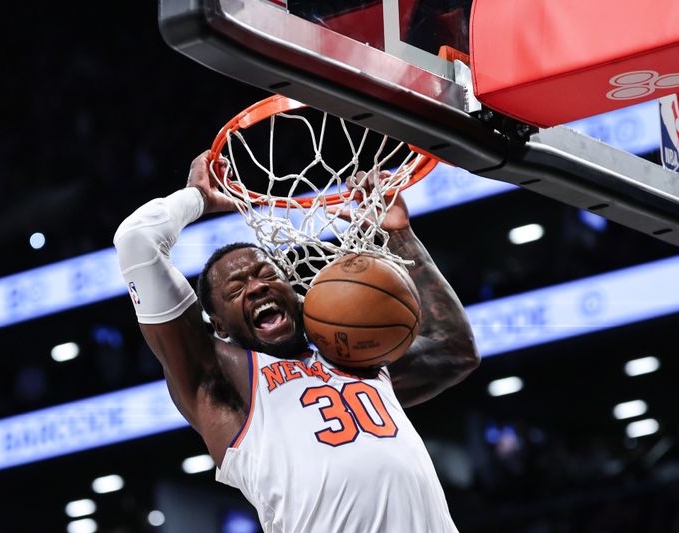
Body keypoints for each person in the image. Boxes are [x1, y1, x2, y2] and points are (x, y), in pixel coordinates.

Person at [114, 151, 479, 532]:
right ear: (219, 326)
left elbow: (455, 349)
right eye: (237, 288)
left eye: (266, 274)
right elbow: (136, 241)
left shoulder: (357, 356)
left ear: (294, 289)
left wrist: (401, 236)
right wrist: (198, 198)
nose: (256, 287)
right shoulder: (221, 379)